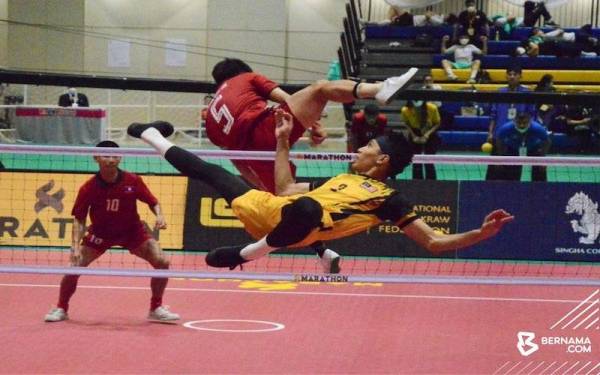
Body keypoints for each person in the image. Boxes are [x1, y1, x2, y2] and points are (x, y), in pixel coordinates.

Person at [126, 118, 513, 271]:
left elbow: (433, 242)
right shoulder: (337, 179)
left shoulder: (389, 199)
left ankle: (242, 256)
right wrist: (281, 144)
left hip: (305, 226)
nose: (359, 150)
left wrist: (478, 234)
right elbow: (283, 189)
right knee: (213, 173)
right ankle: (151, 135)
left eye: (367, 148)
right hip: (275, 214)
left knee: (308, 209)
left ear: (382, 161)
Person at [205, 58, 417, 193]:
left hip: (253, 154)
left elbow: (239, 160)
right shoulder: (246, 78)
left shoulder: (210, 119)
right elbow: (287, 100)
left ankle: (323, 251)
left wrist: (261, 185)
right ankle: (380, 89)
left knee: (287, 195)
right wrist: (313, 124)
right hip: (267, 130)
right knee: (320, 89)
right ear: (242, 71)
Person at [44, 140, 179, 323]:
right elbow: (79, 219)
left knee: (162, 262)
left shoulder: (133, 180)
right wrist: (75, 247)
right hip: (100, 233)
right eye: (106, 156)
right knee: (73, 267)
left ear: (120, 158)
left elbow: (153, 202)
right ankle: (61, 308)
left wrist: (160, 216)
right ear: (96, 158)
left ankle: (156, 308)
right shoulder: (88, 188)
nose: (111, 160)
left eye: (115, 156)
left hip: (132, 231)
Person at [486, 66, 537, 180]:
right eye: (509, 74)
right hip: (499, 136)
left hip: (517, 137)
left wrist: (526, 133)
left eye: (515, 74)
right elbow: (493, 115)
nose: (512, 76)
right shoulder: (500, 92)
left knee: (513, 171)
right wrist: (490, 133)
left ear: (520, 76)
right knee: (494, 170)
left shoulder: (527, 93)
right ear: (506, 76)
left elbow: (531, 114)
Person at [488, 112, 550, 181]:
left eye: (524, 123)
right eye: (519, 123)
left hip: (533, 147)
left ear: (530, 121)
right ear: (514, 121)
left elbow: (547, 141)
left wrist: (543, 159)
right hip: (513, 148)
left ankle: (540, 189)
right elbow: (499, 140)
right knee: (512, 175)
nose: (522, 125)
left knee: (540, 170)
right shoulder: (506, 128)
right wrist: (500, 157)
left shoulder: (537, 128)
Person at [401, 100, 441, 180]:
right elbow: (406, 123)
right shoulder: (405, 109)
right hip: (415, 132)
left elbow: (437, 123)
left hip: (430, 132)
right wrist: (413, 136)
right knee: (416, 161)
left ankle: (431, 182)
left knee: (429, 160)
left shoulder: (432, 108)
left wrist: (427, 135)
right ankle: (417, 182)